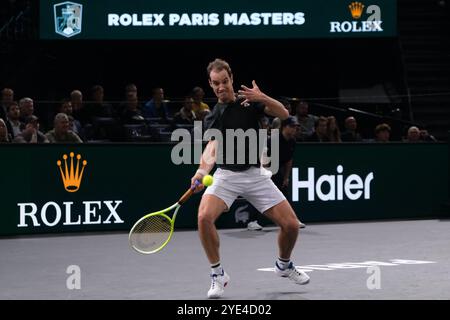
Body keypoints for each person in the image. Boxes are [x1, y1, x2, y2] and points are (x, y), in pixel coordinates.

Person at [191, 58, 309, 299]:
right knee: (203, 217)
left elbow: (284, 113)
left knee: (291, 226)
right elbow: (211, 149)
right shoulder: (212, 116)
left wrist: (262, 97)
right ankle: (218, 274)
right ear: (210, 84)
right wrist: (202, 172)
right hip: (226, 176)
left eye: (225, 81)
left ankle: (284, 265)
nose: (221, 87)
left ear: (231, 79)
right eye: (216, 83)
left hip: (256, 175)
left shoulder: (250, 102)